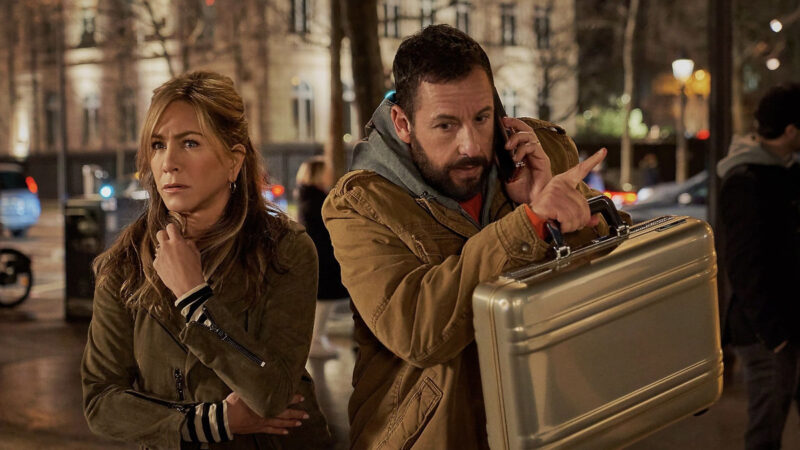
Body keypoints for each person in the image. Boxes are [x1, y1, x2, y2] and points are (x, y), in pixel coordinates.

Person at [322, 25, 622, 449]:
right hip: (434, 435)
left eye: (481, 118)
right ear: (403, 123)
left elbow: (609, 271)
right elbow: (417, 331)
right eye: (446, 125)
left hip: (546, 423)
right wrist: (529, 222)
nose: (470, 146)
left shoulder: (536, 155)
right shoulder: (361, 203)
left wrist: (553, 215)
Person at [81, 71, 332, 449]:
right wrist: (212, 422)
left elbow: (272, 392)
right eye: (157, 145)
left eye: (190, 143)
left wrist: (196, 298)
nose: (168, 162)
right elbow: (101, 401)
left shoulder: (284, 250)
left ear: (233, 161)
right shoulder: (125, 263)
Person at [717, 82, 800, 450]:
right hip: (766, 333)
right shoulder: (746, 181)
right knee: (765, 432)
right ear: (791, 131)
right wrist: (774, 336)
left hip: (786, 324)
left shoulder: (785, 170)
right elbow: (743, 266)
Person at [295, 156, 349, 359]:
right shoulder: (316, 200)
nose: (330, 174)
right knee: (322, 302)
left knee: (323, 301)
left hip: (322, 258)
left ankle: (318, 338)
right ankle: (315, 340)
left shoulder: (310, 196)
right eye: (326, 171)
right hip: (323, 259)